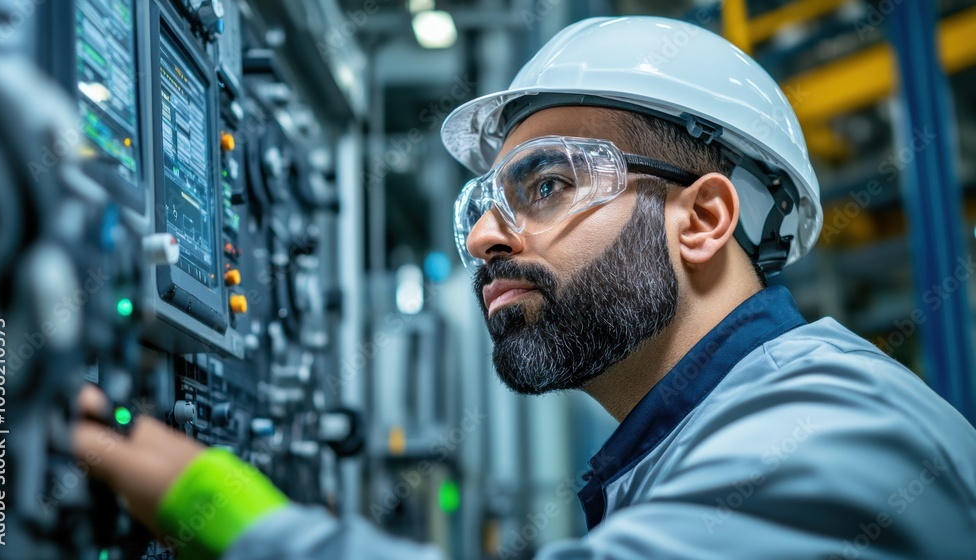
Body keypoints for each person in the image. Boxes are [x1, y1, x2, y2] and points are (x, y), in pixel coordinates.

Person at [73, 16, 976, 560]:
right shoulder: (693, 443)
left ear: (702, 221)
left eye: (545, 185)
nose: (478, 236)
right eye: (483, 200)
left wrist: (222, 512)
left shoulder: (828, 429)